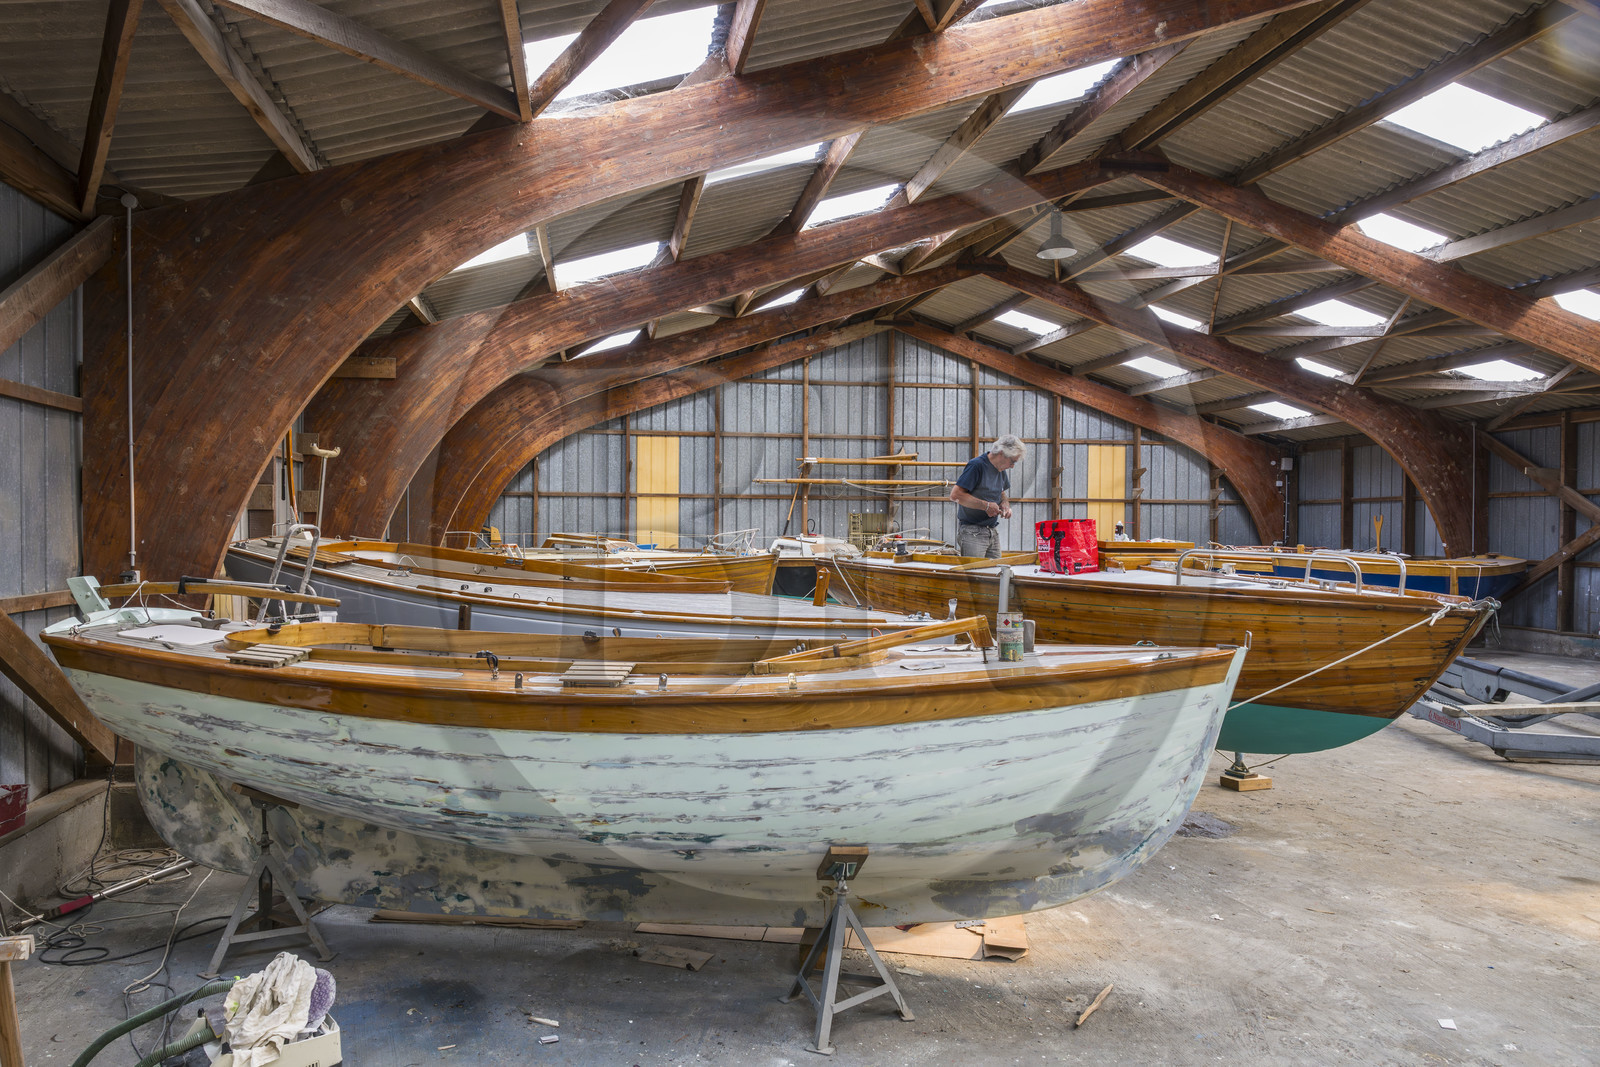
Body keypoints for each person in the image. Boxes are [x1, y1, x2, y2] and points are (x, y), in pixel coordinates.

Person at [950, 435, 1024, 559]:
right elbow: (955, 495)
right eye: (1012, 461)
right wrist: (986, 506)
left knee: (995, 574)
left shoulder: (1000, 470)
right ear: (1001, 453)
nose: (1012, 466)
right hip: (972, 532)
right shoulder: (976, 466)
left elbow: (1001, 493)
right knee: (975, 575)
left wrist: (1005, 504)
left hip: (992, 531)